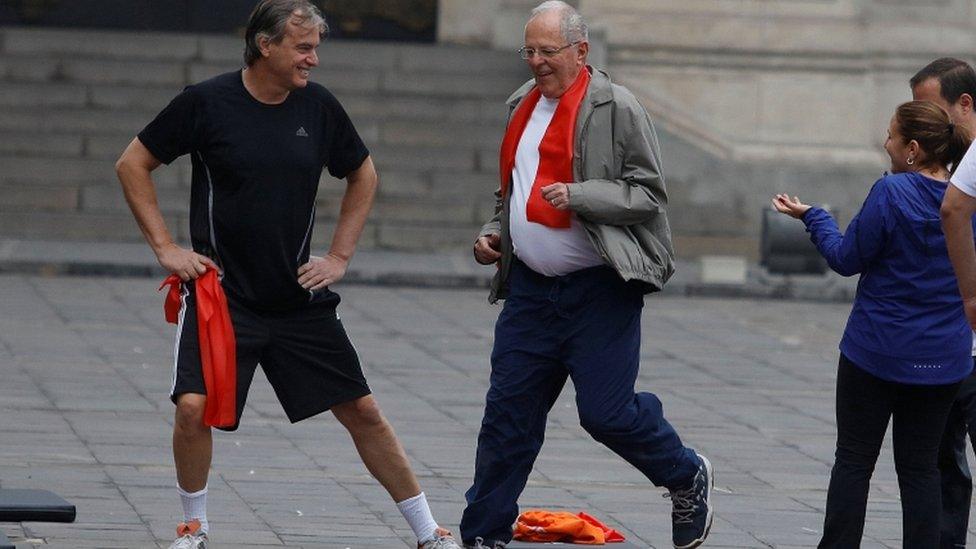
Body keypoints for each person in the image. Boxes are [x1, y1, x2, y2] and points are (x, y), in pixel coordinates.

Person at [113, 2, 461, 548]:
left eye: (315, 47)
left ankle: (429, 533)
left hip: (298, 298)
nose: (314, 60)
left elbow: (363, 173)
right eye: (303, 48)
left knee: (363, 410)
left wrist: (339, 258)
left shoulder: (318, 108)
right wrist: (165, 247)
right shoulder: (206, 103)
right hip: (223, 297)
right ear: (264, 45)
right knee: (192, 409)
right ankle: (193, 527)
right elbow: (132, 163)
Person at [463, 2, 712, 548]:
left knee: (607, 415)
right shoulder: (520, 106)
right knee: (508, 418)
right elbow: (511, 192)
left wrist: (579, 196)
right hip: (530, 290)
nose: (536, 62)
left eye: (547, 52)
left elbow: (649, 194)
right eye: (528, 51)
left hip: (599, 290)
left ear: (581, 51)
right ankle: (482, 535)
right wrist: (494, 232)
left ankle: (684, 472)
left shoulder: (617, 108)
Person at [772, 100, 973, 548]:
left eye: (891, 135)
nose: (885, 143)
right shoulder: (967, 202)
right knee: (921, 468)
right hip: (943, 358)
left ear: (913, 150)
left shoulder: (891, 194)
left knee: (855, 461)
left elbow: (846, 260)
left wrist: (815, 216)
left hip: (875, 351)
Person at [912, 57, 976, 549]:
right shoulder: (942, 165)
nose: (923, 125)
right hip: (947, 340)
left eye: (931, 111)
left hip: (965, 330)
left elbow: (954, 211)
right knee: (941, 460)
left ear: (965, 104)